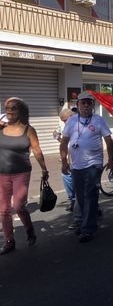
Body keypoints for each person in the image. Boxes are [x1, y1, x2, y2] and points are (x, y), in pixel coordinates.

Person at [60, 92, 113, 243]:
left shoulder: (99, 120)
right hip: (77, 165)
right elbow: (64, 142)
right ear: (77, 105)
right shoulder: (71, 121)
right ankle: (86, 220)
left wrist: (111, 160)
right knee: (80, 196)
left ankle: (87, 229)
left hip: (94, 164)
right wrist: (64, 162)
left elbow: (108, 141)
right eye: (83, 103)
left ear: (93, 105)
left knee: (90, 196)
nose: (85, 105)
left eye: (89, 103)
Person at [0, 97, 49, 254]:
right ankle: (9, 241)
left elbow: (36, 150)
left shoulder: (29, 130)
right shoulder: (1, 128)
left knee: (18, 206)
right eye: (7, 107)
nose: (9, 110)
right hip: (2, 173)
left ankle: (29, 230)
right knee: (3, 209)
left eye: (13, 108)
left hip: (21, 172)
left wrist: (44, 169)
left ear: (21, 111)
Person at [54, 108, 76, 212]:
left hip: (84, 160)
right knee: (67, 176)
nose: (64, 122)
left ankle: (94, 206)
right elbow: (62, 142)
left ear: (71, 116)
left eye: (65, 120)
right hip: (71, 159)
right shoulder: (65, 126)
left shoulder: (80, 124)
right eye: (62, 120)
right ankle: (72, 200)